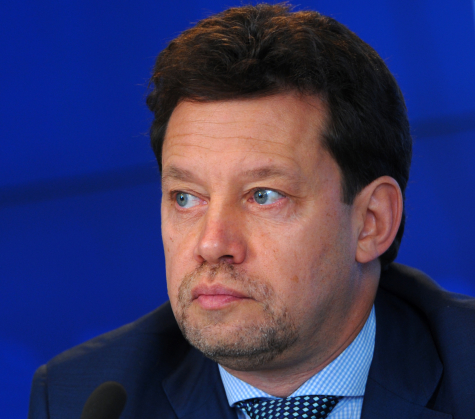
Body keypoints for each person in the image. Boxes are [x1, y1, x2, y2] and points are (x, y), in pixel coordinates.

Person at [28, 4, 475, 419]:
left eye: (263, 195)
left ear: (371, 222)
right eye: (185, 197)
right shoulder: (80, 397)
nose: (211, 244)